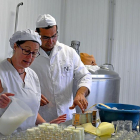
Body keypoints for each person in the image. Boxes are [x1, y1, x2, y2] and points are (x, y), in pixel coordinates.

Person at [30, 14, 92, 122]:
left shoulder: (69, 52)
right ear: (37, 34)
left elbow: (85, 76)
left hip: (67, 116)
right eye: (45, 37)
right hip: (41, 118)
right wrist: (31, 95)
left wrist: (81, 93)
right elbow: (19, 83)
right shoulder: (29, 55)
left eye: (54, 36)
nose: (51, 41)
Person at [0, 29, 66, 131]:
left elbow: (31, 110)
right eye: (26, 51)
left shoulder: (32, 76)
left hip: (27, 136)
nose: (30, 57)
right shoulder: (2, 72)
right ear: (15, 46)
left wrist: (45, 125)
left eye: (34, 53)